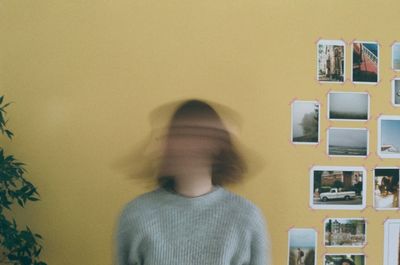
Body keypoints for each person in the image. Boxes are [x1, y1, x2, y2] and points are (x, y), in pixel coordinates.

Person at [115, 99, 271, 265]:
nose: (190, 147)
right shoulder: (136, 216)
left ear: (218, 145)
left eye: (199, 136)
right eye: (182, 136)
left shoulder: (247, 218)